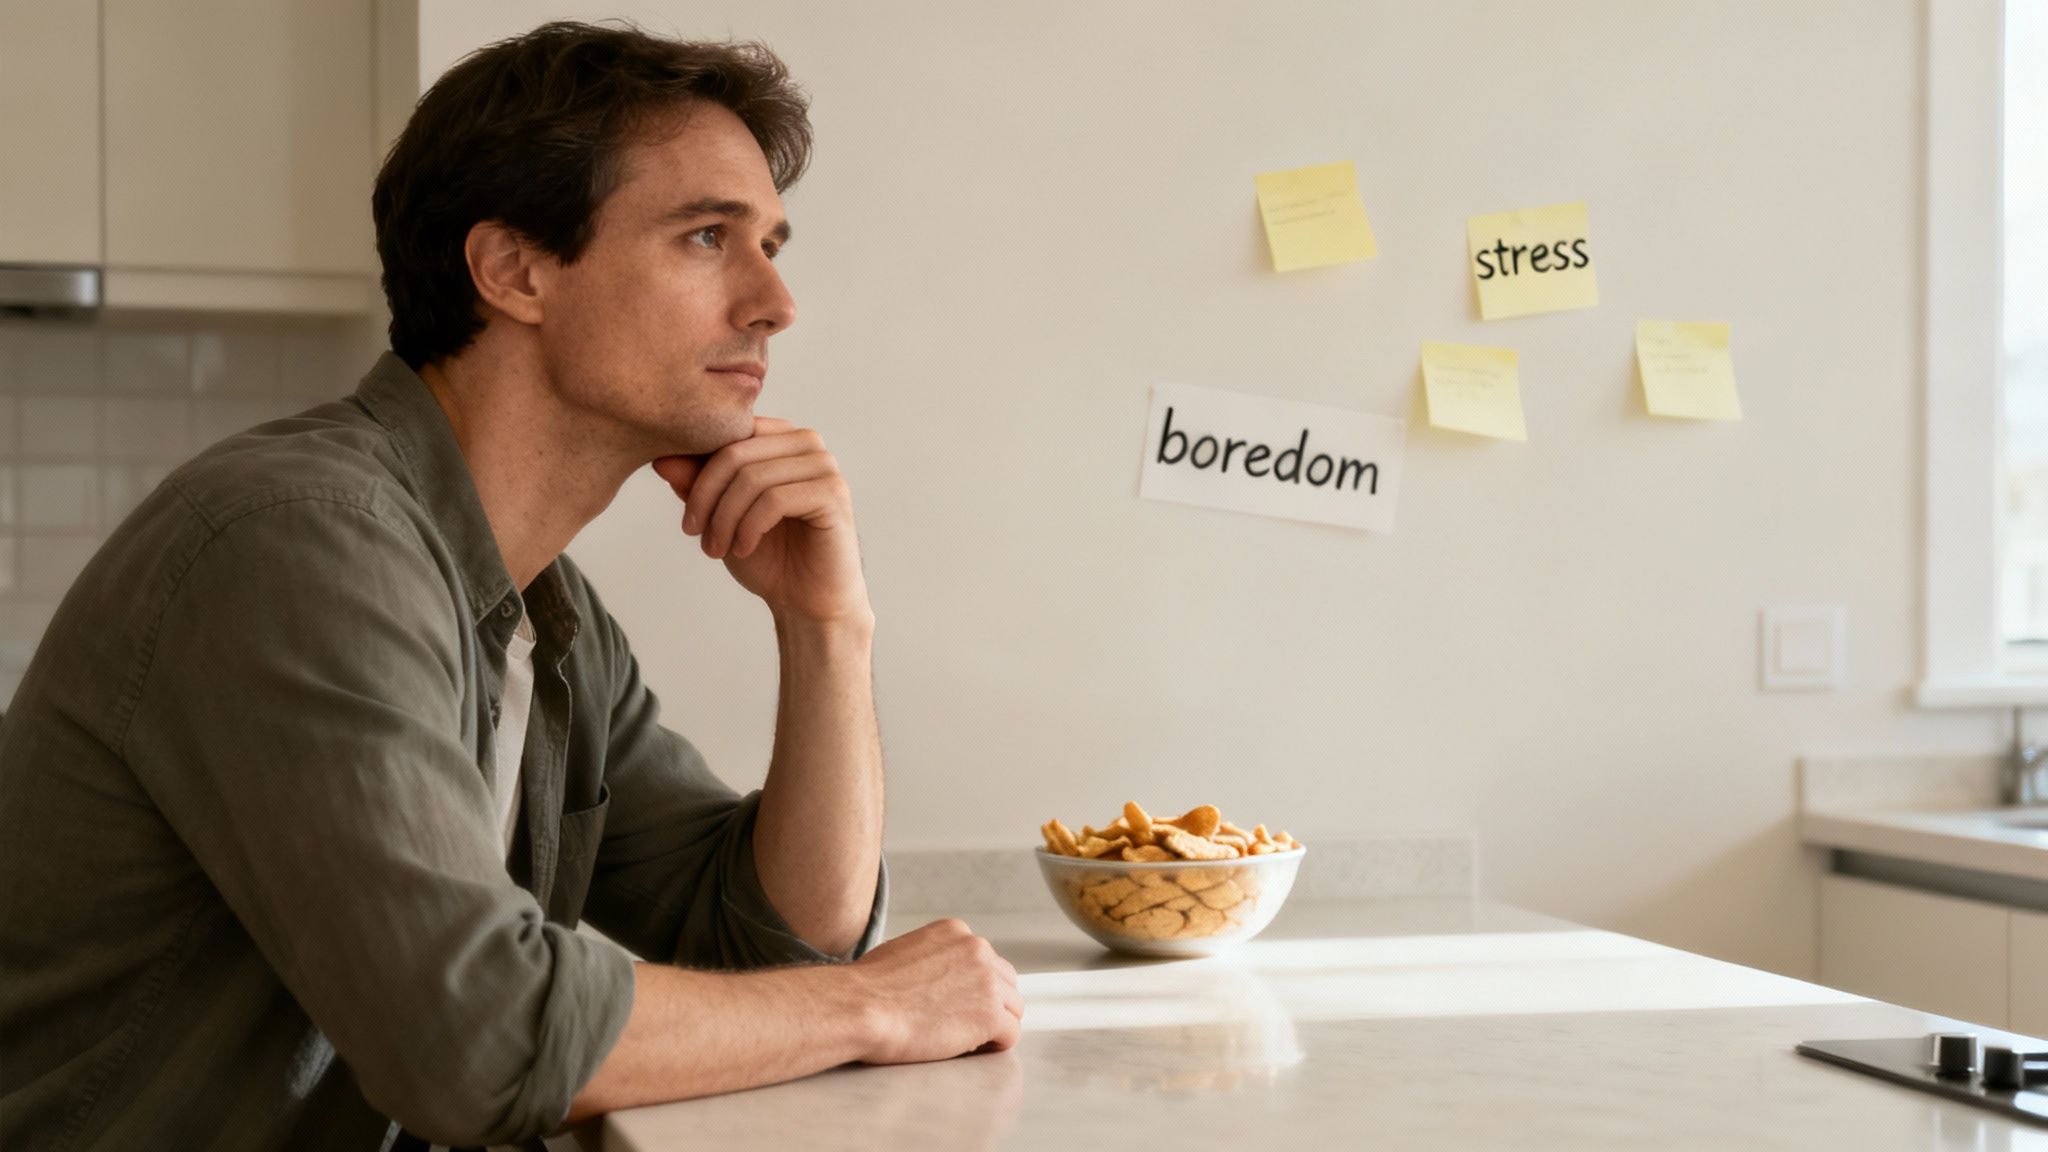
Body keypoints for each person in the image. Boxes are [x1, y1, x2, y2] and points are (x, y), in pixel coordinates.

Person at [0, 21, 1021, 1152]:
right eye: (705, 237)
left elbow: (770, 948)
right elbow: (475, 1044)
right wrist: (879, 1004)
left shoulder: (545, 612)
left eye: (771, 243)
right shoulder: (300, 545)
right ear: (514, 270)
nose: (774, 301)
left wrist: (826, 625)